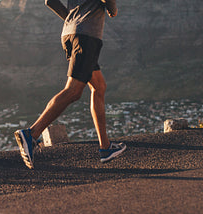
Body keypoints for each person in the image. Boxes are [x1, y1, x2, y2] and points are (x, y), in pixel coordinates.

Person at [14, 0, 126, 169]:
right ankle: (31, 134)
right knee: (74, 90)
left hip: (71, 32)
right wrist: (112, 9)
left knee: (99, 87)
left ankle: (105, 148)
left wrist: (73, 19)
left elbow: (49, 1)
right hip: (87, 36)